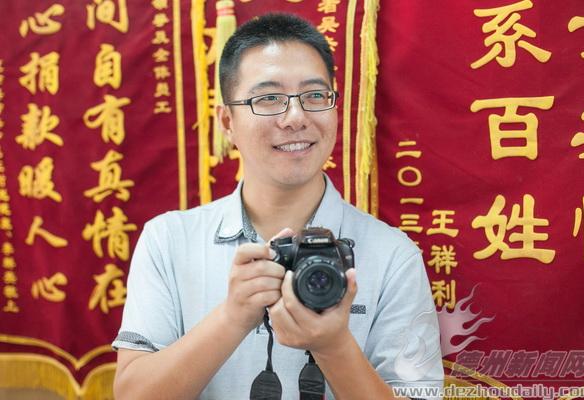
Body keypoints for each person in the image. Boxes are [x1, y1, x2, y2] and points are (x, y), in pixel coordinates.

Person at [112, 13, 443, 400]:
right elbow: (132, 394)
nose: (296, 118)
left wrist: (333, 346)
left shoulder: (393, 255)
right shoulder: (169, 240)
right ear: (227, 122)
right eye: (268, 99)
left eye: (315, 95)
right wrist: (232, 317)